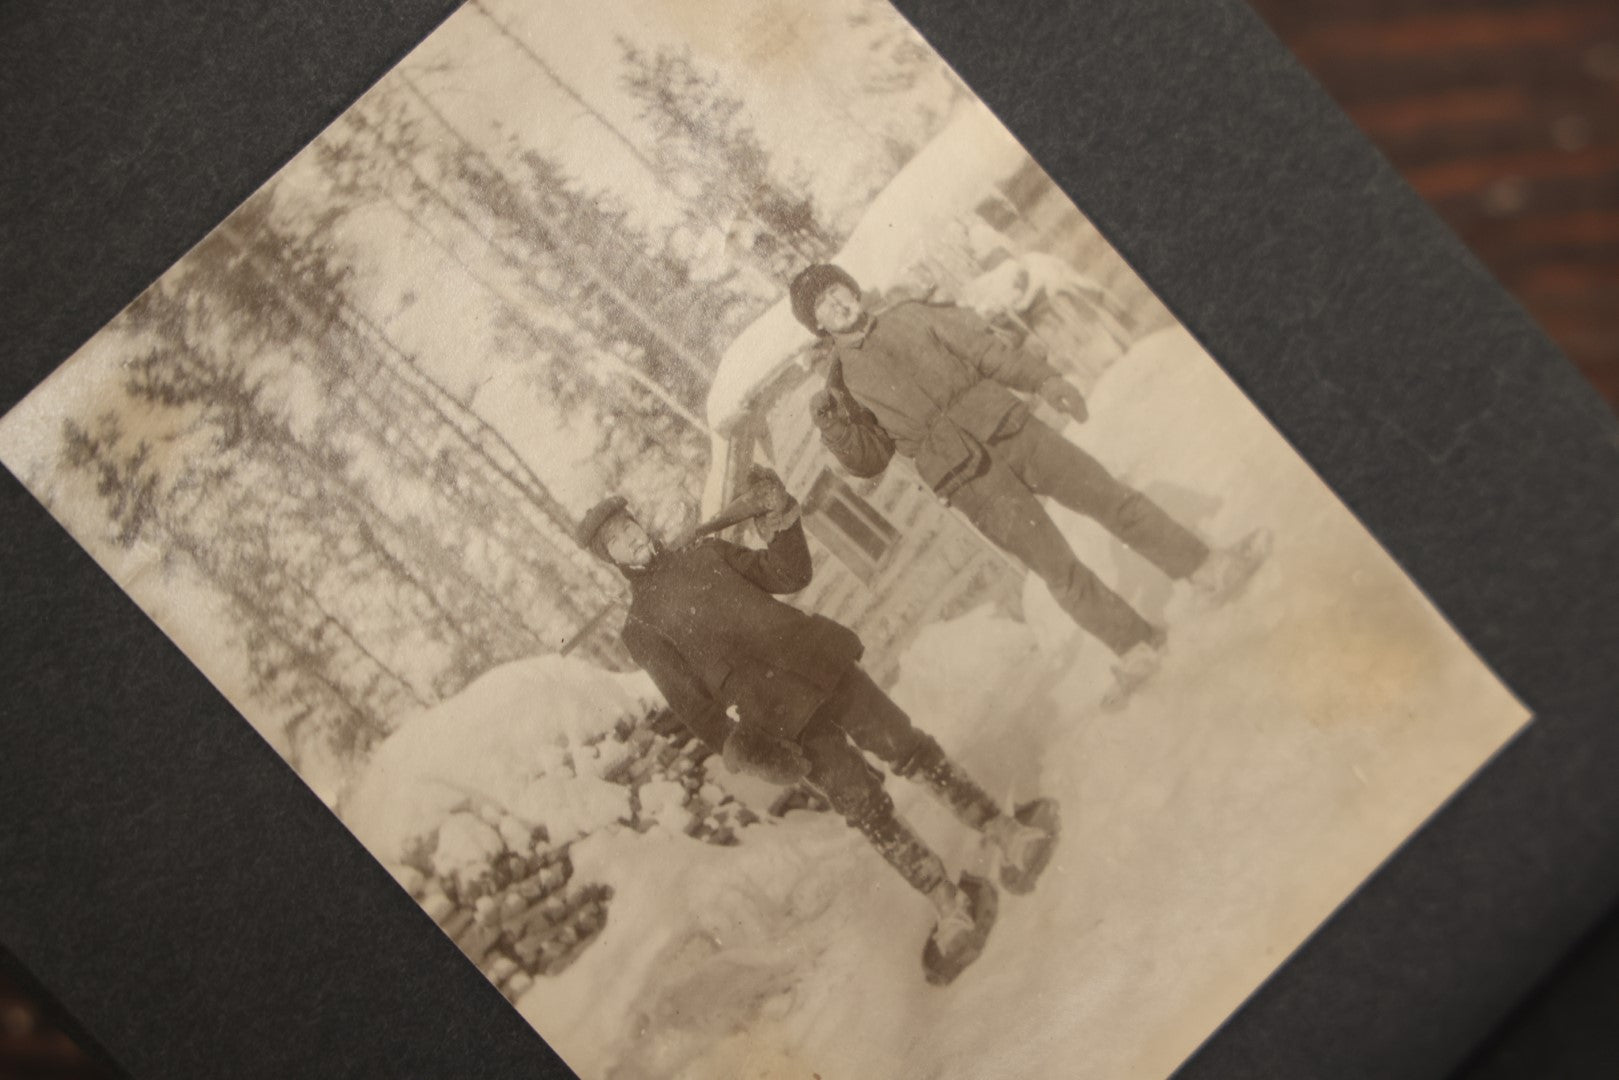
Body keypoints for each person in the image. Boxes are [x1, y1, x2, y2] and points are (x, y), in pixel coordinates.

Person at [576, 467, 1059, 985]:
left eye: (629, 525)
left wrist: (782, 522)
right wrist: (752, 751)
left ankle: (1005, 831)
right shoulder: (641, 629)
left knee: (908, 748)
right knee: (865, 807)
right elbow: (697, 711)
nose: (630, 537)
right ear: (612, 560)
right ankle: (948, 902)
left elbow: (789, 576)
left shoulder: (706, 553)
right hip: (783, 723)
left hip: (822, 664)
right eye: (616, 540)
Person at [790, 263, 1269, 706]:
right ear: (821, 327)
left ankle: (1206, 569)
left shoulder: (910, 316)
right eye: (824, 307)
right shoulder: (844, 384)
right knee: (1056, 566)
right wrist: (836, 429)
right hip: (968, 478)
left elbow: (986, 351)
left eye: (838, 291)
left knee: (1112, 500)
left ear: (852, 289)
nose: (838, 305)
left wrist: (1045, 381)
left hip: (1011, 428)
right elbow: (871, 459)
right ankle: (1134, 643)